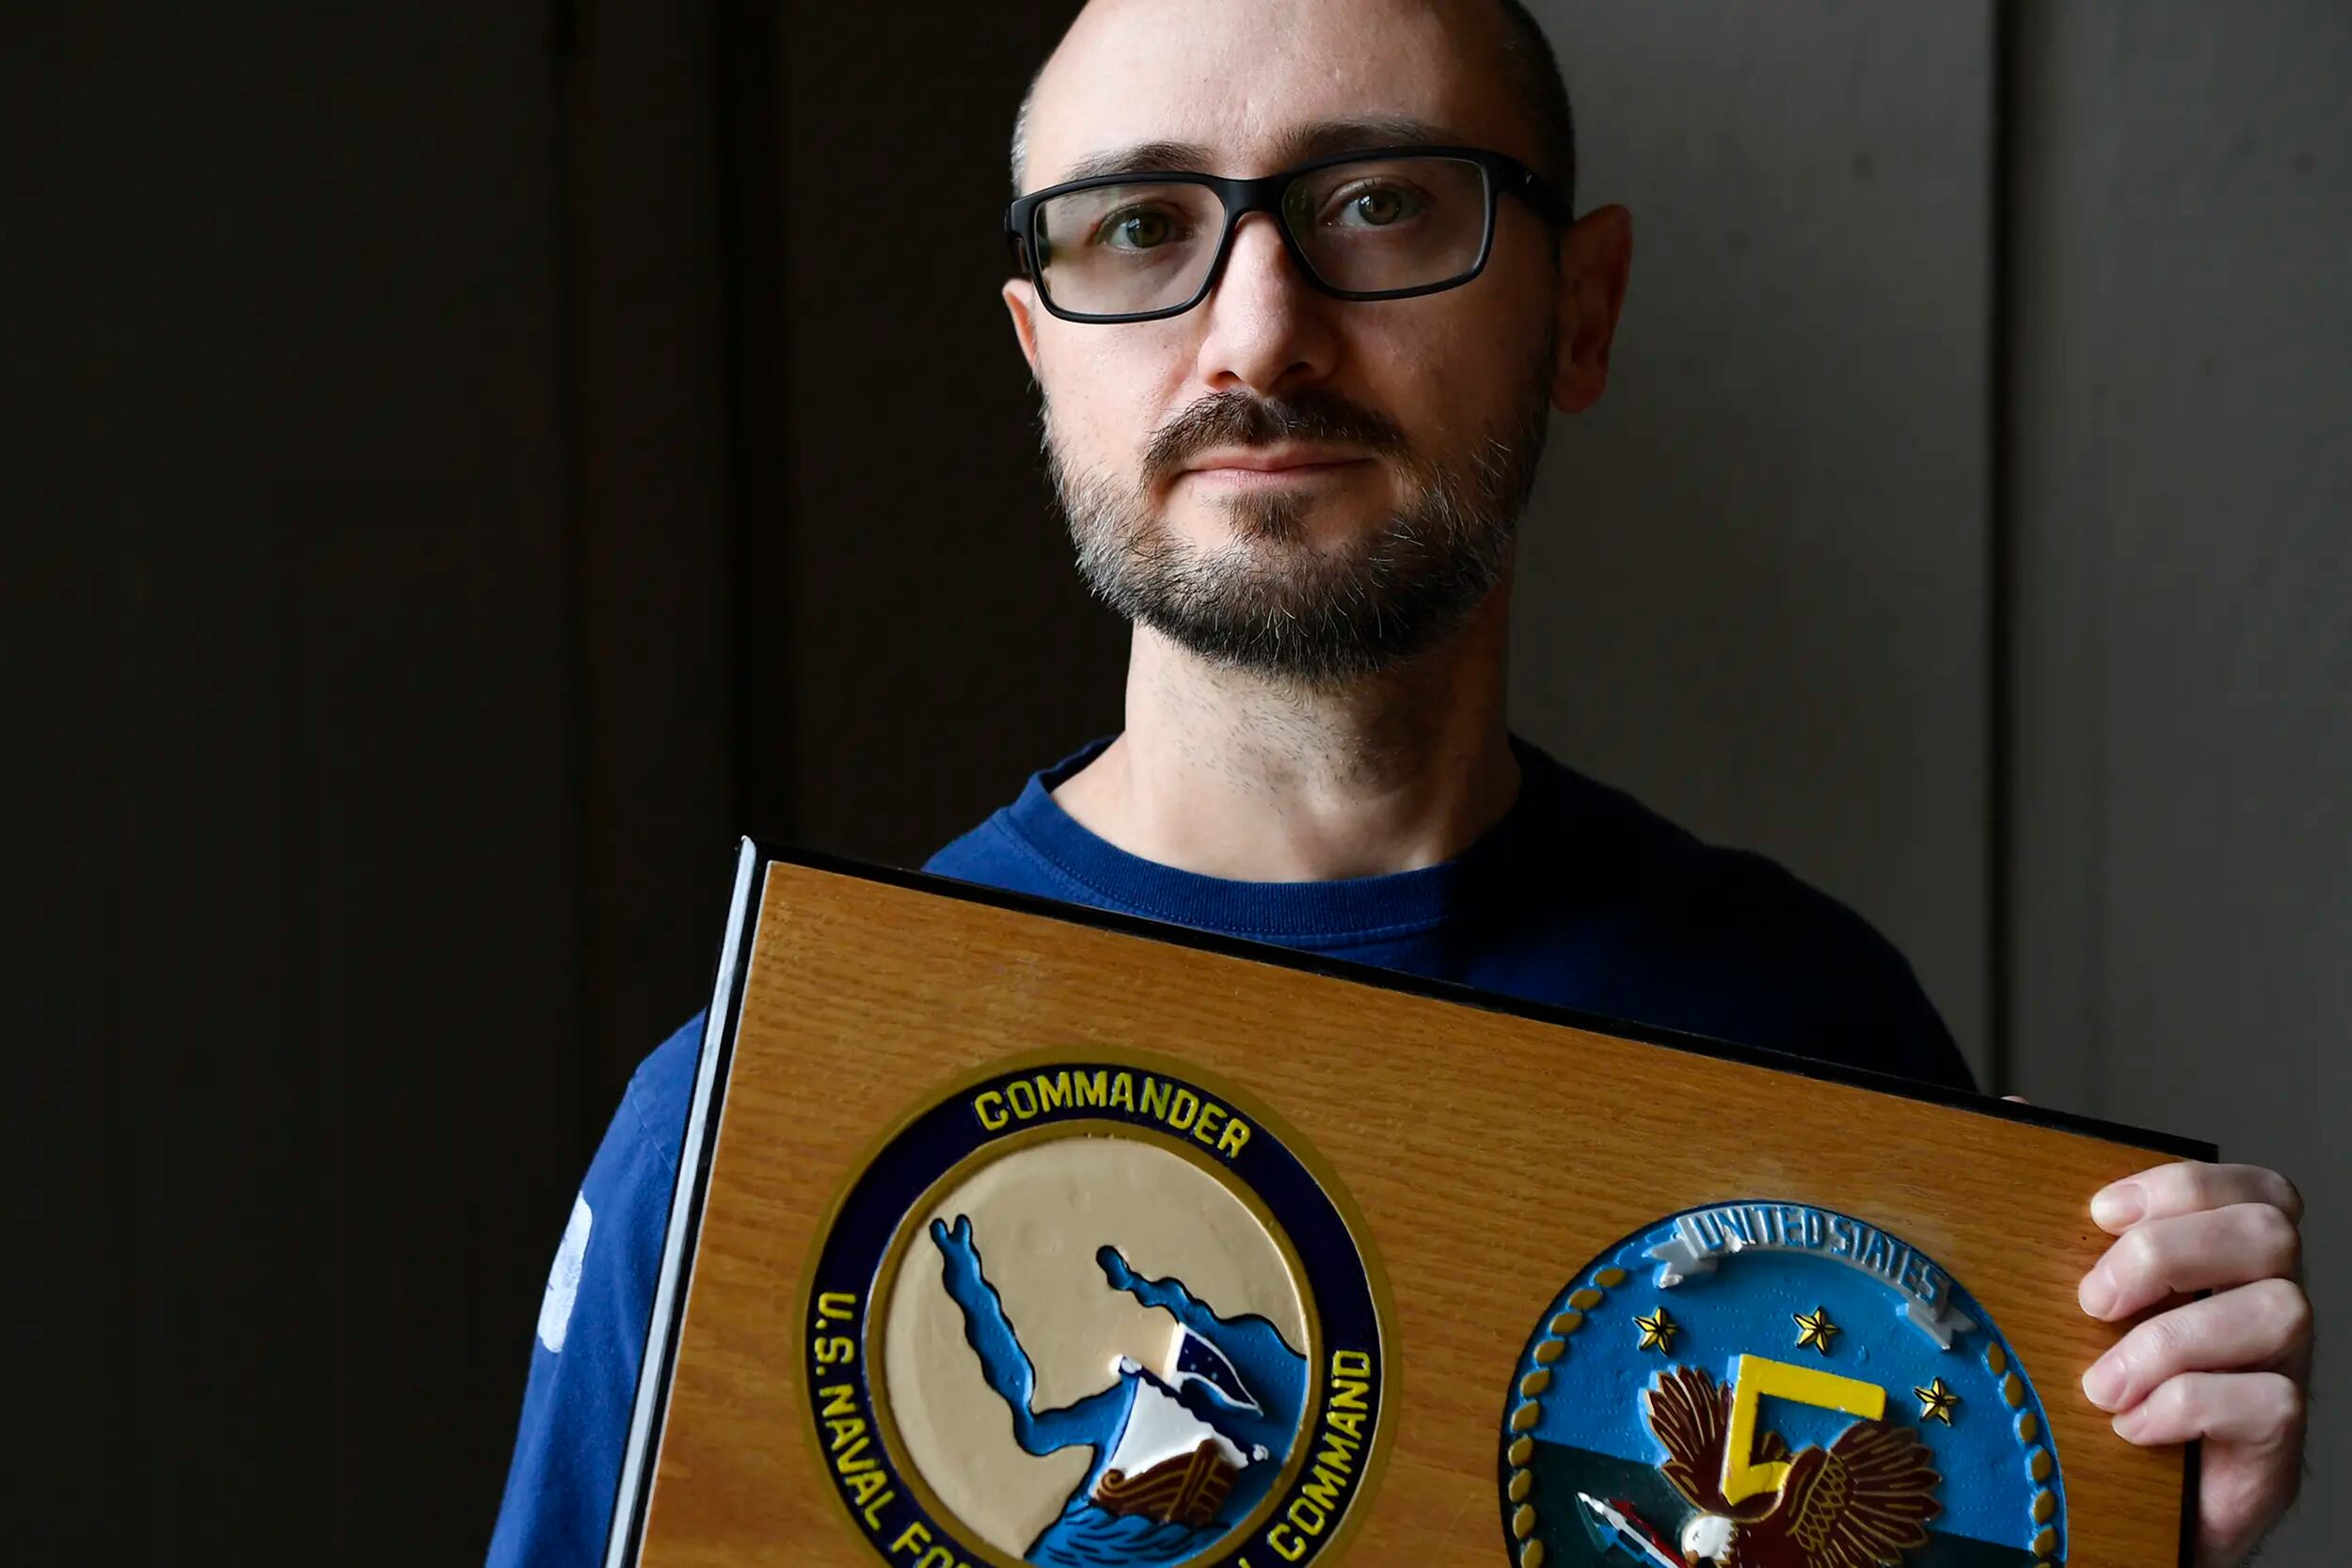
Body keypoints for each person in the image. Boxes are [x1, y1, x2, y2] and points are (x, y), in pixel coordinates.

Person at [485, 2, 2311, 1563]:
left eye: (1376, 203)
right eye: (1140, 226)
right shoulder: (738, 1135)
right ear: (1042, 355)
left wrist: (2113, 1519)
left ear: (1579, 310)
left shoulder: (1817, 1035)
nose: (1257, 333)